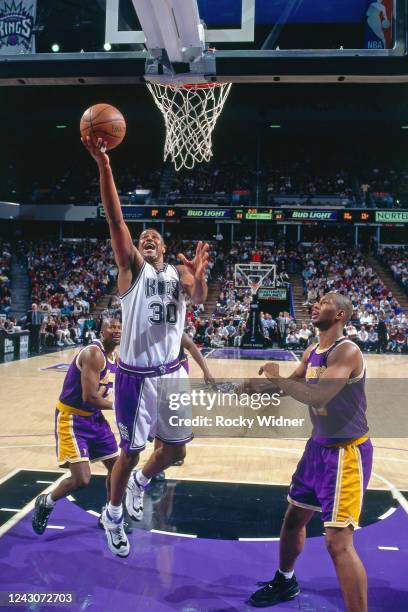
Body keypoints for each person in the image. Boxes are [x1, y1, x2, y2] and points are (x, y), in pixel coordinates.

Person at [83, 136, 209, 557]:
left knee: (175, 449)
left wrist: (200, 275)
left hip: (172, 374)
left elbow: (200, 298)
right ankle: (113, 515)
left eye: (155, 236)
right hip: (135, 378)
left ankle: (140, 484)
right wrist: (105, 166)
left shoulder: (179, 275)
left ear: (166, 248)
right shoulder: (131, 270)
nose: (148, 238)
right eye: (144, 236)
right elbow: (117, 221)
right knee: (130, 454)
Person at [246, 293, 373, 611]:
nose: (315, 304)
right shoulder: (312, 350)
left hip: (345, 454)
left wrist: (276, 379)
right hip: (317, 448)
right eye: (315, 301)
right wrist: (253, 387)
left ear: (340, 313)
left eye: (325, 301)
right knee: (293, 518)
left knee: (337, 543)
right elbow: (290, 385)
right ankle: (286, 579)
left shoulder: (347, 351)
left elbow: (319, 397)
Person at [32, 319, 123, 536]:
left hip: (94, 418)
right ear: (101, 331)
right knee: (82, 479)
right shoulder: (94, 354)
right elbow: (89, 397)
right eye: (112, 326)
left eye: (120, 327)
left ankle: (109, 515)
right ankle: (47, 501)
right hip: (72, 418)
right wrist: (122, 409)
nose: (117, 330)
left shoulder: (115, 357)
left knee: (118, 468)